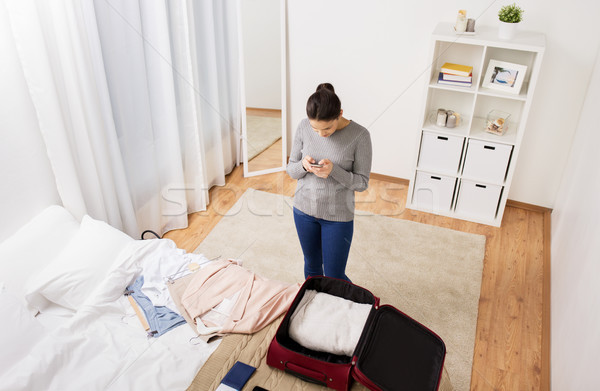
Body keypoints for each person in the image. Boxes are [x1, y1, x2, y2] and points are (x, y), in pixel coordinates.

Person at [286, 83, 372, 281]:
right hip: (303, 210)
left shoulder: (360, 136)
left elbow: (361, 183)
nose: (321, 135)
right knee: (312, 268)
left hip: (338, 217)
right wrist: (304, 166)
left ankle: (356, 306)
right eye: (315, 129)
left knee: (334, 276)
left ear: (340, 114)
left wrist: (334, 171)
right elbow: (291, 169)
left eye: (327, 128)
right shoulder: (303, 126)